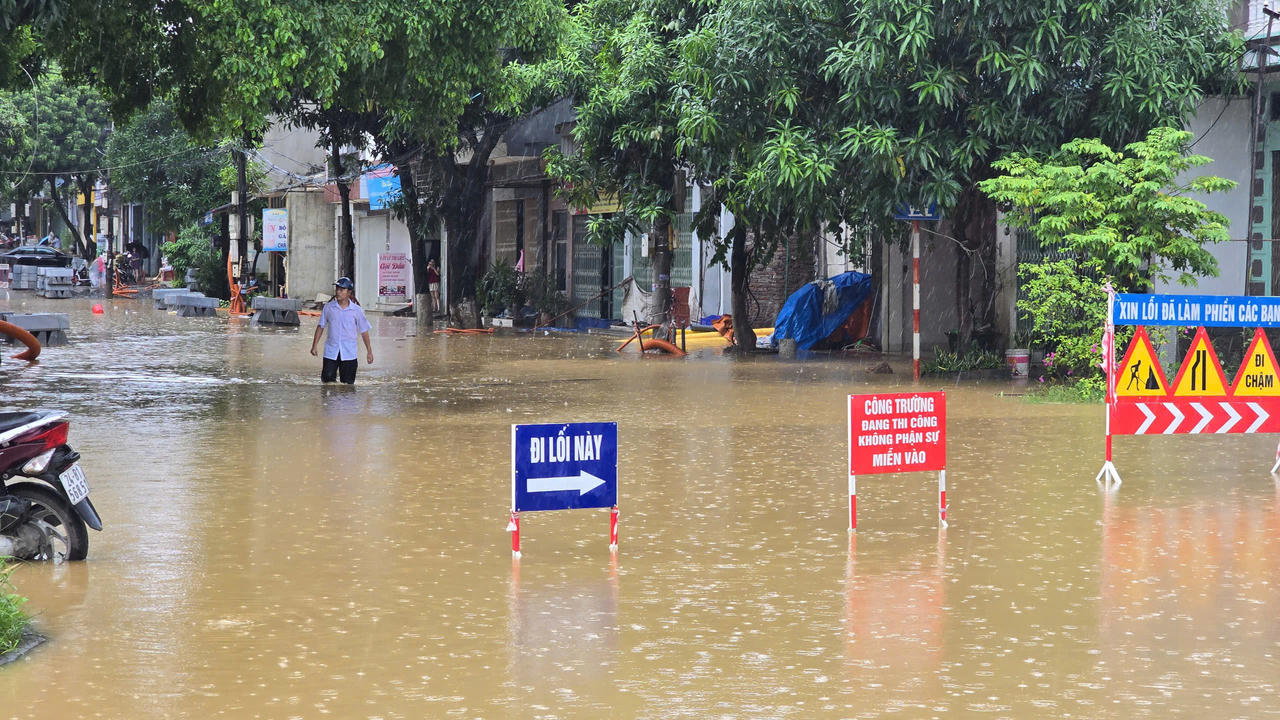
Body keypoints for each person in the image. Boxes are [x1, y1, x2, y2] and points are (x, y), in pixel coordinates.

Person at [310, 277, 373, 385]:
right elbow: (321, 326)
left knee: (348, 386)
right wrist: (314, 345)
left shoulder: (357, 310)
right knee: (327, 383)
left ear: (349, 292)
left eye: (341, 290)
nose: (338, 292)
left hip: (349, 353)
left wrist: (369, 352)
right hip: (331, 352)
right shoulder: (329, 308)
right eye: (337, 289)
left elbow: (364, 331)